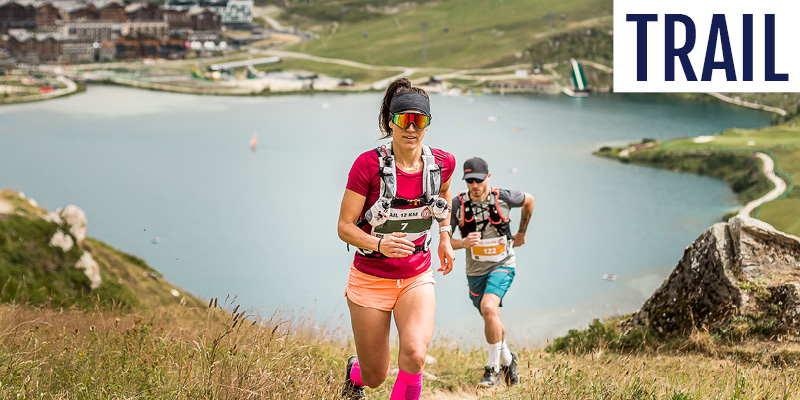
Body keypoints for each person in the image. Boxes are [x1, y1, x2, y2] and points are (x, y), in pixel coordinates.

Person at [337, 77, 456, 400]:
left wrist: (445, 235)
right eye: (404, 120)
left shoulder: (443, 164)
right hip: (370, 278)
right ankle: (355, 371)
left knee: (416, 354)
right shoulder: (367, 165)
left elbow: (444, 198)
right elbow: (345, 227)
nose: (412, 128)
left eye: (420, 121)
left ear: (428, 124)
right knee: (375, 376)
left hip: (417, 275)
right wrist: (379, 244)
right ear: (391, 122)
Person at [449, 157, 534, 388]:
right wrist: (463, 243)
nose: (474, 185)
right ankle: (508, 360)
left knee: (489, 307)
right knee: (490, 316)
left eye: (478, 180)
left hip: (503, 264)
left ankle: (492, 371)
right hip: (475, 271)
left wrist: (522, 232)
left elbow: (529, 200)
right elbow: (445, 241)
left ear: (488, 177)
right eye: (469, 181)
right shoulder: (458, 204)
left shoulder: (503, 197)